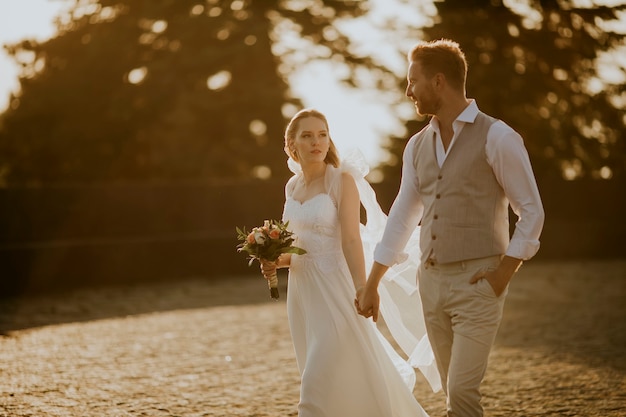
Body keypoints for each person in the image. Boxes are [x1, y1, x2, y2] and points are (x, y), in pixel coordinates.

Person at [357, 39, 545, 417]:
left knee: (461, 392)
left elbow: (532, 212)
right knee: (451, 393)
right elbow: (402, 217)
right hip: (432, 283)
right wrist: (372, 282)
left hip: (478, 284)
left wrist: (501, 275)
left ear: (438, 81)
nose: (408, 90)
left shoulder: (498, 137)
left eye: (413, 81)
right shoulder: (416, 147)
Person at [260, 108, 432, 417]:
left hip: (335, 291)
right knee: (340, 376)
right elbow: (298, 248)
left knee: (314, 384)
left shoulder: (341, 180)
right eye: (307, 135)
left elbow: (351, 240)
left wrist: (362, 288)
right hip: (302, 295)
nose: (317, 142)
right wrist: (275, 260)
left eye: (322, 134)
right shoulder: (292, 187)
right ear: (291, 144)